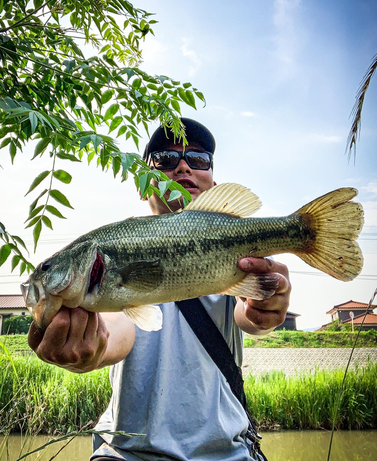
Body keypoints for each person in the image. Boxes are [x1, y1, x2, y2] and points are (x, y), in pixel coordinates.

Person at [28, 118, 291, 461]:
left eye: (199, 160)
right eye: (166, 158)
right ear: (142, 182)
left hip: (228, 454)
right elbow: (117, 328)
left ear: (213, 183)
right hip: (127, 456)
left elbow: (249, 315)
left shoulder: (236, 254)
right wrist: (93, 346)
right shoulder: (114, 255)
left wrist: (267, 310)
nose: (183, 166)